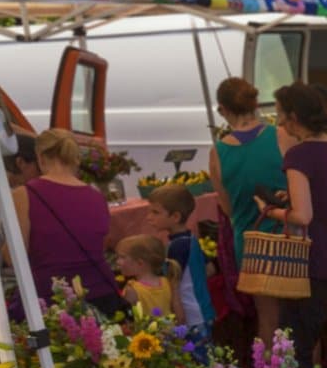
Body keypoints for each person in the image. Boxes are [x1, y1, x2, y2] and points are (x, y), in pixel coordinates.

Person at [270, 82, 327, 368]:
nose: (279, 122)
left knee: (299, 347)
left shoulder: (298, 156)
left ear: (294, 117)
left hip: (310, 264)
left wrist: (272, 210)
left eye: (281, 114)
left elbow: (303, 216)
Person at [13, 127, 121, 314]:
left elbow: (15, 253)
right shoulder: (96, 196)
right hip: (101, 294)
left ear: (40, 157)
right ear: (74, 158)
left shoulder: (25, 194)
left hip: (51, 296)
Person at [208, 76, 283, 335]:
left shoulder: (218, 152)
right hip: (288, 234)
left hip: (249, 241)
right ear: (255, 103)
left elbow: (226, 207)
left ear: (222, 110)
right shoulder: (282, 137)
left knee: (267, 319)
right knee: (300, 319)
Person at [143, 183, 214, 332]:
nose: (149, 217)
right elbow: (210, 269)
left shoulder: (177, 246)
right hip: (203, 307)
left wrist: (177, 310)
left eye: (155, 212)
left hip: (190, 313)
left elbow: (173, 283)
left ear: (175, 216)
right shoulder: (190, 238)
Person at [116, 233, 177, 321]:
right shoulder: (166, 282)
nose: (117, 262)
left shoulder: (132, 290)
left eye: (122, 257)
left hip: (146, 334)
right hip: (170, 332)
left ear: (140, 263)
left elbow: (128, 319)